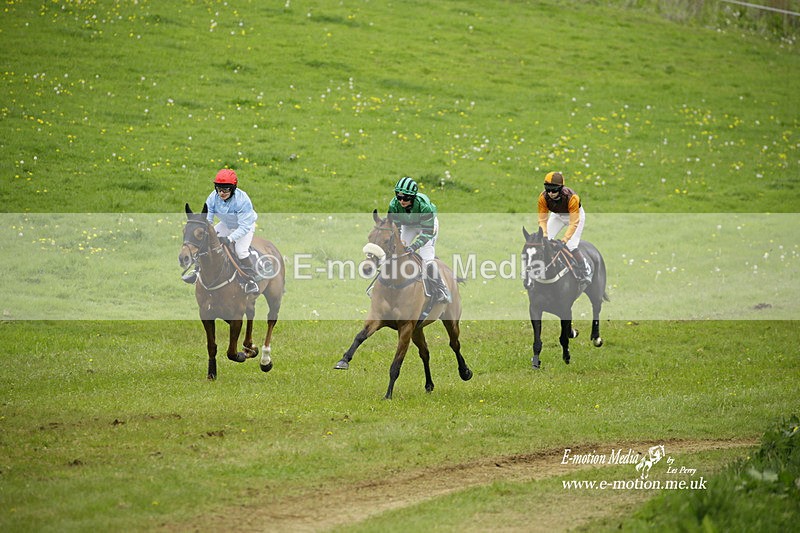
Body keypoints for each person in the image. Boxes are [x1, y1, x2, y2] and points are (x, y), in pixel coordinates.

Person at [182, 169, 260, 294]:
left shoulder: (242, 200)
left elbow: (244, 226)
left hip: (245, 227)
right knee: (205, 241)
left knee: (241, 251)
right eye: (219, 189)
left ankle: (251, 280)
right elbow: (208, 219)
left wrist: (229, 238)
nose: (221, 193)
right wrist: (207, 231)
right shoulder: (213, 197)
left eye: (226, 189)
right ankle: (197, 270)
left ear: (233, 188)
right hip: (226, 225)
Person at [387, 176, 450, 303]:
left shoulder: (424, 206)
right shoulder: (393, 205)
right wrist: (398, 242)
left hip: (426, 226)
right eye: (399, 197)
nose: (402, 201)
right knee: (397, 253)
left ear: (413, 197)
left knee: (426, 258)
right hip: (408, 225)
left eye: (406, 197)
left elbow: (427, 233)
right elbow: (395, 227)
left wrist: (414, 246)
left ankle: (441, 288)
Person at [537, 171, 591, 291]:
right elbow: (542, 219)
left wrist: (564, 240)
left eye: (554, 190)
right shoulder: (543, 197)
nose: (550, 193)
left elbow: (573, 223)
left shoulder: (572, 198)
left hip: (575, 217)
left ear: (561, 188)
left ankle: (585, 268)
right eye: (548, 189)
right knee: (543, 242)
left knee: (571, 245)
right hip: (557, 216)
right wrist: (545, 235)